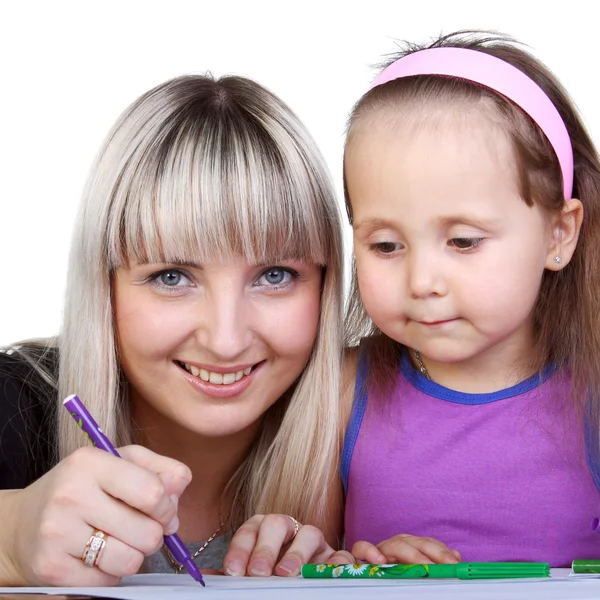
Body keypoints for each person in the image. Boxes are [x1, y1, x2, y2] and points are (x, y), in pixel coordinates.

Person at [0, 73, 351, 586]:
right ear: (105, 285)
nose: (225, 339)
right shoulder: (13, 401)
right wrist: (11, 541)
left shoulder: (374, 425)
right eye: (172, 276)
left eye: (275, 276)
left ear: (325, 284)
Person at [341, 31, 600, 567]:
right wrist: (353, 563)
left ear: (559, 234)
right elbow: (299, 559)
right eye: (386, 245)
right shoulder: (341, 393)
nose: (422, 281)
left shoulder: (592, 391)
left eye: (463, 240)